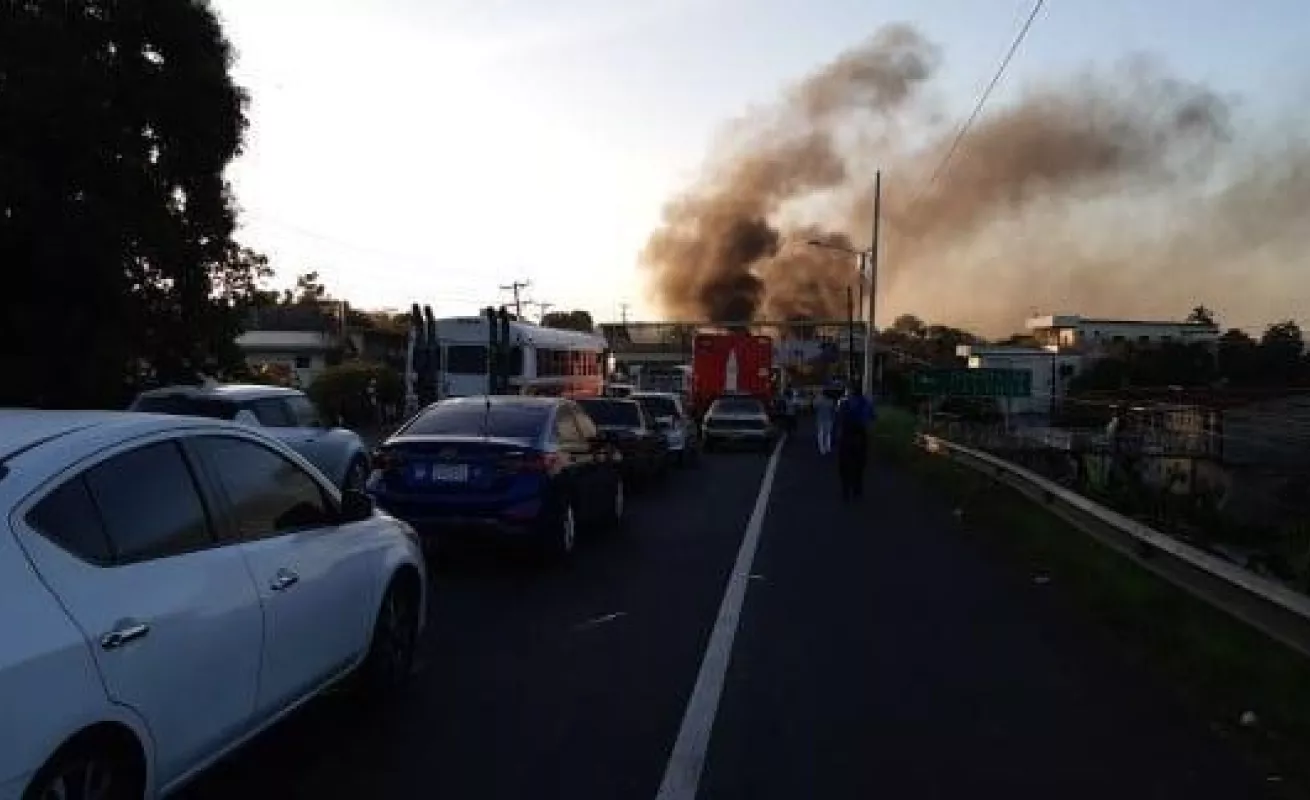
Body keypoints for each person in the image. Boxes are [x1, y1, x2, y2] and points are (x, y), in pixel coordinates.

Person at [834, 383, 875, 501]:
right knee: (860, 464)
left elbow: (838, 419)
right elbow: (872, 418)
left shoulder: (844, 403)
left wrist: (835, 437)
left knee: (844, 465)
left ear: (851, 392)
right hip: (861, 436)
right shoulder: (866, 403)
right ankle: (857, 489)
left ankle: (846, 491)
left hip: (846, 436)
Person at [813, 386, 836, 455]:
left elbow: (815, 407)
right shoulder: (831, 401)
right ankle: (827, 447)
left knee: (821, 434)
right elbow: (833, 410)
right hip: (828, 418)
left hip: (820, 418)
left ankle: (822, 448)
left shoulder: (819, 400)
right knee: (828, 434)